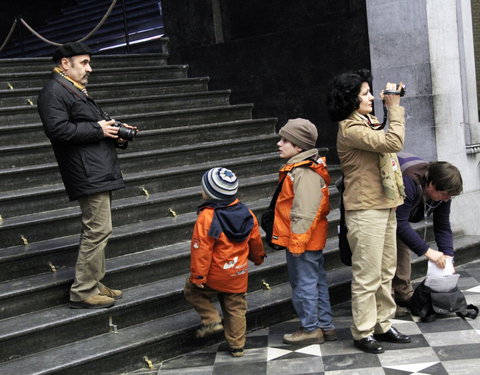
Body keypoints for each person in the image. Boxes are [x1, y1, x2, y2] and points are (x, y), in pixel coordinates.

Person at [37, 42, 136, 309]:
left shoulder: (72, 89)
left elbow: (88, 126)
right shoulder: (54, 91)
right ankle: (83, 291)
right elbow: (57, 130)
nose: (89, 68)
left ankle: (94, 282)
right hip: (86, 171)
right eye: (83, 63)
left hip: (96, 168)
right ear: (64, 63)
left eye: (89, 62)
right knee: (98, 229)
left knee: (99, 229)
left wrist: (113, 129)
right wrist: (98, 129)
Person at [326, 69, 411, 354]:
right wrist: (395, 108)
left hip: (385, 203)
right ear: (351, 99)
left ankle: (383, 325)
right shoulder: (350, 129)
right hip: (365, 209)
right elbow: (392, 143)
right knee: (368, 274)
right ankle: (363, 331)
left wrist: (390, 105)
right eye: (365, 94)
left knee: (386, 270)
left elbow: (385, 137)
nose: (372, 97)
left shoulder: (369, 120)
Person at [184, 167, 265, 358]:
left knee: (192, 291)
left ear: (211, 194)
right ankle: (237, 346)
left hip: (214, 274)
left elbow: (200, 249)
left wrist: (198, 275)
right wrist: (258, 257)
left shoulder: (207, 217)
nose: (200, 190)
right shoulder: (247, 213)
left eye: (203, 188)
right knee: (236, 309)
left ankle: (211, 318)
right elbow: (255, 240)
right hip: (238, 273)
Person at [271, 118, 336, 346]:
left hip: (302, 240)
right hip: (308, 239)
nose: (279, 144)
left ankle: (310, 328)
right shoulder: (304, 168)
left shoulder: (304, 172)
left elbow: (304, 212)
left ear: (299, 147)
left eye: (285, 140)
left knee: (303, 284)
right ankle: (325, 326)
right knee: (315, 282)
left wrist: (296, 244)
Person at [393, 152, 463, 309]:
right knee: (388, 249)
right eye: (445, 195)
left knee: (403, 243)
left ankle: (403, 293)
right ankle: (387, 301)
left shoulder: (443, 190)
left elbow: (442, 225)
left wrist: (448, 257)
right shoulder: (409, 181)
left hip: (398, 215)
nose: (446, 199)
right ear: (431, 185)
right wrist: (428, 251)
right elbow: (399, 222)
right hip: (377, 206)